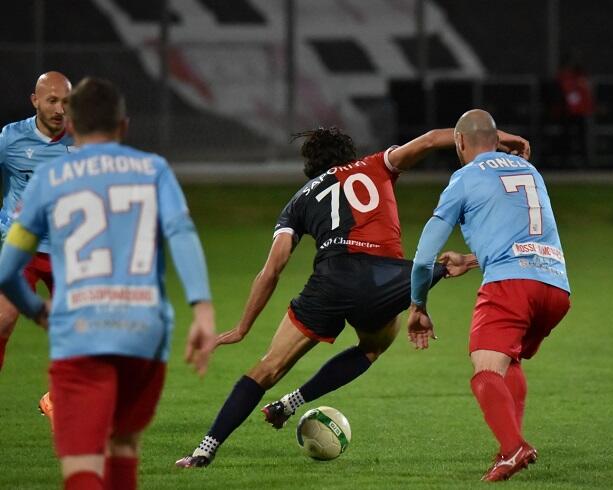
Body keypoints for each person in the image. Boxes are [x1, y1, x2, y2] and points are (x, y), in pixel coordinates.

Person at [175, 125, 531, 468]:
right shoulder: (378, 164)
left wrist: (242, 328)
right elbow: (430, 140)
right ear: (349, 156)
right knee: (372, 347)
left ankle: (204, 450)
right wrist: (497, 138)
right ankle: (292, 402)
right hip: (386, 280)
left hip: (331, 281)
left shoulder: (299, 199)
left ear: (310, 167)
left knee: (268, 368)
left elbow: (273, 269)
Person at [0, 77, 216, 490]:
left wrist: (38, 312)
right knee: (121, 450)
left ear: (74, 127)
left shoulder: (50, 180)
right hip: (145, 335)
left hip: (79, 332)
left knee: (83, 464)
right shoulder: (153, 170)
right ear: (124, 126)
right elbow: (182, 234)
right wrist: (202, 310)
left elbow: (7, 269)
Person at [408, 109, 570, 482]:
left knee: (484, 371)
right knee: (508, 360)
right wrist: (469, 258)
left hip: (509, 287)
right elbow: (521, 234)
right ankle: (507, 445)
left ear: (460, 142)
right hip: (556, 287)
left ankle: (514, 448)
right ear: (496, 140)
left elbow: (422, 259)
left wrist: (419, 304)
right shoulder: (531, 172)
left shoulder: (463, 179)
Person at [0, 73, 73, 419]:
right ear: (35, 100)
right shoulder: (10, 138)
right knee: (2, 320)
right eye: (52, 101)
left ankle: (57, 399)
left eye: (66, 102)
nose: (60, 109)